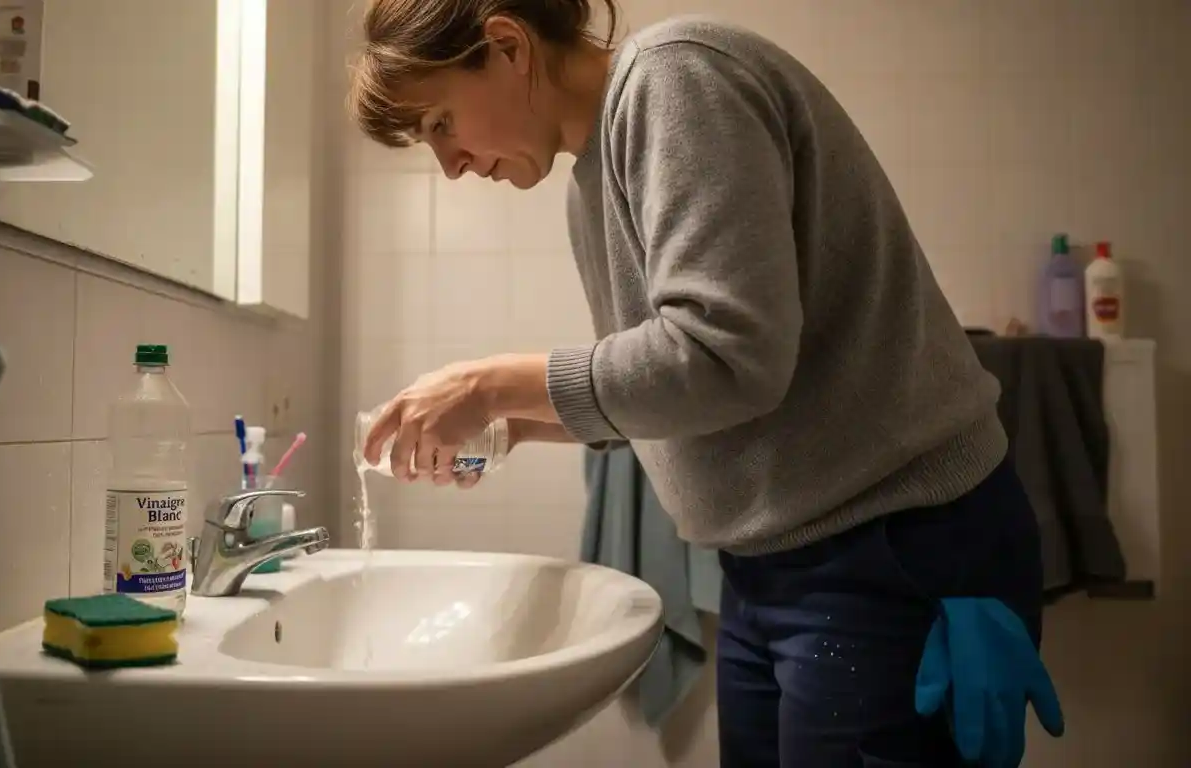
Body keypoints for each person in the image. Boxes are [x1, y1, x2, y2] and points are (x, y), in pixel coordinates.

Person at [349, 1, 1061, 765]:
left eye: (440, 123)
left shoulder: (675, 75)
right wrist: (520, 422)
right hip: (776, 565)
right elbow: (682, 388)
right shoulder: (589, 183)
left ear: (506, 46)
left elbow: (726, 356)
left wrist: (488, 385)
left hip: (895, 541)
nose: (449, 164)